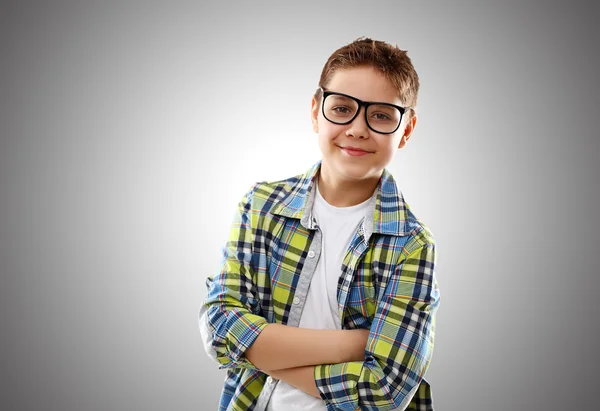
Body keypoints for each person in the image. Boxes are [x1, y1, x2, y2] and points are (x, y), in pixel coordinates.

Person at [198, 37, 440, 411]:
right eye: (342, 108)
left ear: (405, 129)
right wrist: (358, 344)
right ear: (316, 111)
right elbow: (220, 327)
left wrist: (261, 350)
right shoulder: (260, 206)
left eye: (380, 115)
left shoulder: (411, 245)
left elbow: (385, 391)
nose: (358, 128)